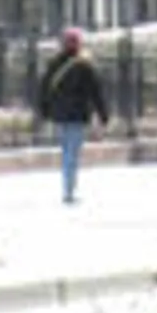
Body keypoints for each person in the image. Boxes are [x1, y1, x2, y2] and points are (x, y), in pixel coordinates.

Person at [34, 25, 110, 203]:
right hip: (77, 115)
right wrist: (103, 115)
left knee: (66, 151)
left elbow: (44, 90)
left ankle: (68, 186)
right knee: (72, 152)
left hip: (59, 115)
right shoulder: (84, 65)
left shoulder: (54, 64)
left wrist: (44, 112)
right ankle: (69, 189)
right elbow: (96, 92)